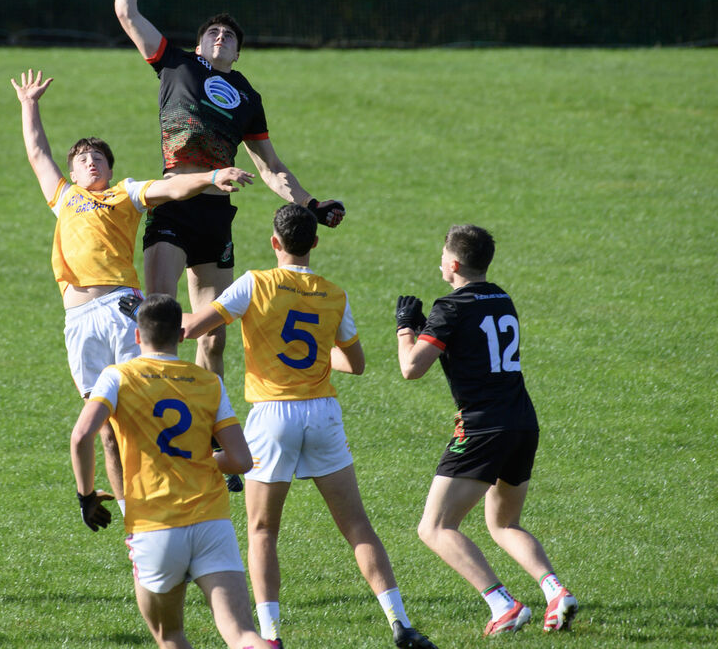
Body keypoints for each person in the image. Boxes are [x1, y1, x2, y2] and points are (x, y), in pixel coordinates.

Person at [182, 204, 437, 649]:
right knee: (358, 525)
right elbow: (354, 364)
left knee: (263, 531)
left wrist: (141, 310)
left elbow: (192, 330)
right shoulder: (333, 293)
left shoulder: (255, 283)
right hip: (322, 413)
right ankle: (401, 623)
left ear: (274, 242)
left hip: (272, 416)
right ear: (314, 243)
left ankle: (271, 636)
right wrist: (322, 355)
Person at [13, 70, 253, 513]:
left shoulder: (124, 194)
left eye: (98, 158)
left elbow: (171, 186)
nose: (91, 163)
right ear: (72, 172)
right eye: (83, 159)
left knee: (146, 407)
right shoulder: (63, 198)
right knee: (103, 426)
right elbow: (36, 152)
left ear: (110, 168)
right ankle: (130, 513)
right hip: (79, 322)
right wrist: (30, 104)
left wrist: (209, 176)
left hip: (123, 310)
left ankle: (204, 462)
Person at [114, 0, 345, 379]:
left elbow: (272, 168)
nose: (221, 37)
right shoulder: (176, 64)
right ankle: (153, 403)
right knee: (159, 316)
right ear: (199, 44)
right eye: (212, 33)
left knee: (213, 337)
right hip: (175, 203)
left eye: (230, 36)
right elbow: (127, 14)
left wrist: (312, 205)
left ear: (238, 53)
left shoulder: (248, 96)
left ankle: (213, 425)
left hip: (216, 216)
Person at [396, 224, 578, 635]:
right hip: (522, 422)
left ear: (455, 263)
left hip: (481, 428)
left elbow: (411, 368)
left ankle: (503, 605)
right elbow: (471, 344)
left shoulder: (450, 308)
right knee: (504, 524)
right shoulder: (502, 297)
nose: (439, 260)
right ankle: (555, 592)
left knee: (436, 527)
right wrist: (433, 329)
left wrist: (406, 327)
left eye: (443, 254)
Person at [69, 293, 274, 649]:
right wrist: (199, 462)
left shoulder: (117, 377)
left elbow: (81, 436)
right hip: (212, 523)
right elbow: (241, 460)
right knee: (242, 634)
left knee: (171, 637)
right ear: (181, 336)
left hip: (154, 528)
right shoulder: (209, 382)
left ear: (137, 336)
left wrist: (86, 495)